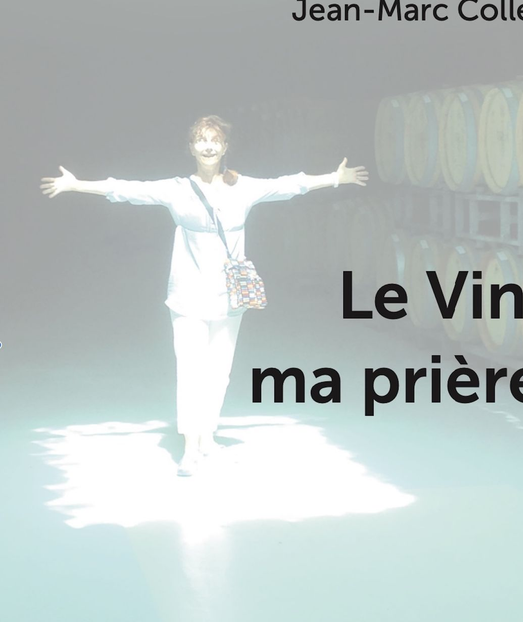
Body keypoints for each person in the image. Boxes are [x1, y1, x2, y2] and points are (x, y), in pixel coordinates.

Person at [41, 115, 368, 475]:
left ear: (225, 147)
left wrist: (335, 178)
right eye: (201, 140)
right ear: (191, 148)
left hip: (230, 297)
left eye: (215, 140)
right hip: (187, 294)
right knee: (191, 370)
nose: (208, 146)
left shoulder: (242, 187)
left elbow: (290, 185)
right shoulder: (177, 189)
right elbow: (127, 190)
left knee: (219, 371)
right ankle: (191, 448)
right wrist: (76, 185)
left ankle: (208, 436)